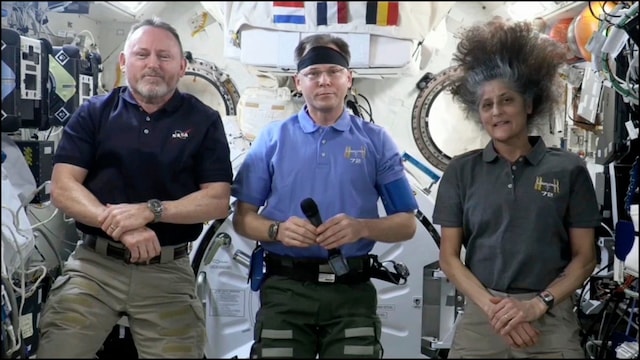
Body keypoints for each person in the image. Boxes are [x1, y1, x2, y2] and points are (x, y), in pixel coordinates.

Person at [36, 17, 233, 358]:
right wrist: (122, 227)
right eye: (142, 54)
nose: (153, 64)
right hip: (94, 268)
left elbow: (217, 201)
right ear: (125, 62)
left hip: (167, 273)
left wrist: (151, 210)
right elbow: (63, 188)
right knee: (58, 350)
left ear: (183, 66)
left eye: (164, 56)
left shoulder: (203, 121)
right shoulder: (94, 114)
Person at [231, 33, 418, 358]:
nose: (324, 81)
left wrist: (363, 228)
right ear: (298, 81)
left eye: (333, 72)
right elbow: (242, 217)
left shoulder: (376, 141)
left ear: (349, 78)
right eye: (314, 73)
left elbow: (406, 224)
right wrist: (277, 230)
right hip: (286, 290)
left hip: (351, 293)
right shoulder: (272, 139)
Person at [432, 19, 601, 358]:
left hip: (551, 315)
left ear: (528, 104)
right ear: (478, 112)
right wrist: (495, 308)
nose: (497, 112)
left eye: (506, 100)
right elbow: (449, 258)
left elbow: (585, 258)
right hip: (484, 314)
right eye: (486, 104)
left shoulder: (568, 169)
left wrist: (537, 306)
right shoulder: (462, 171)